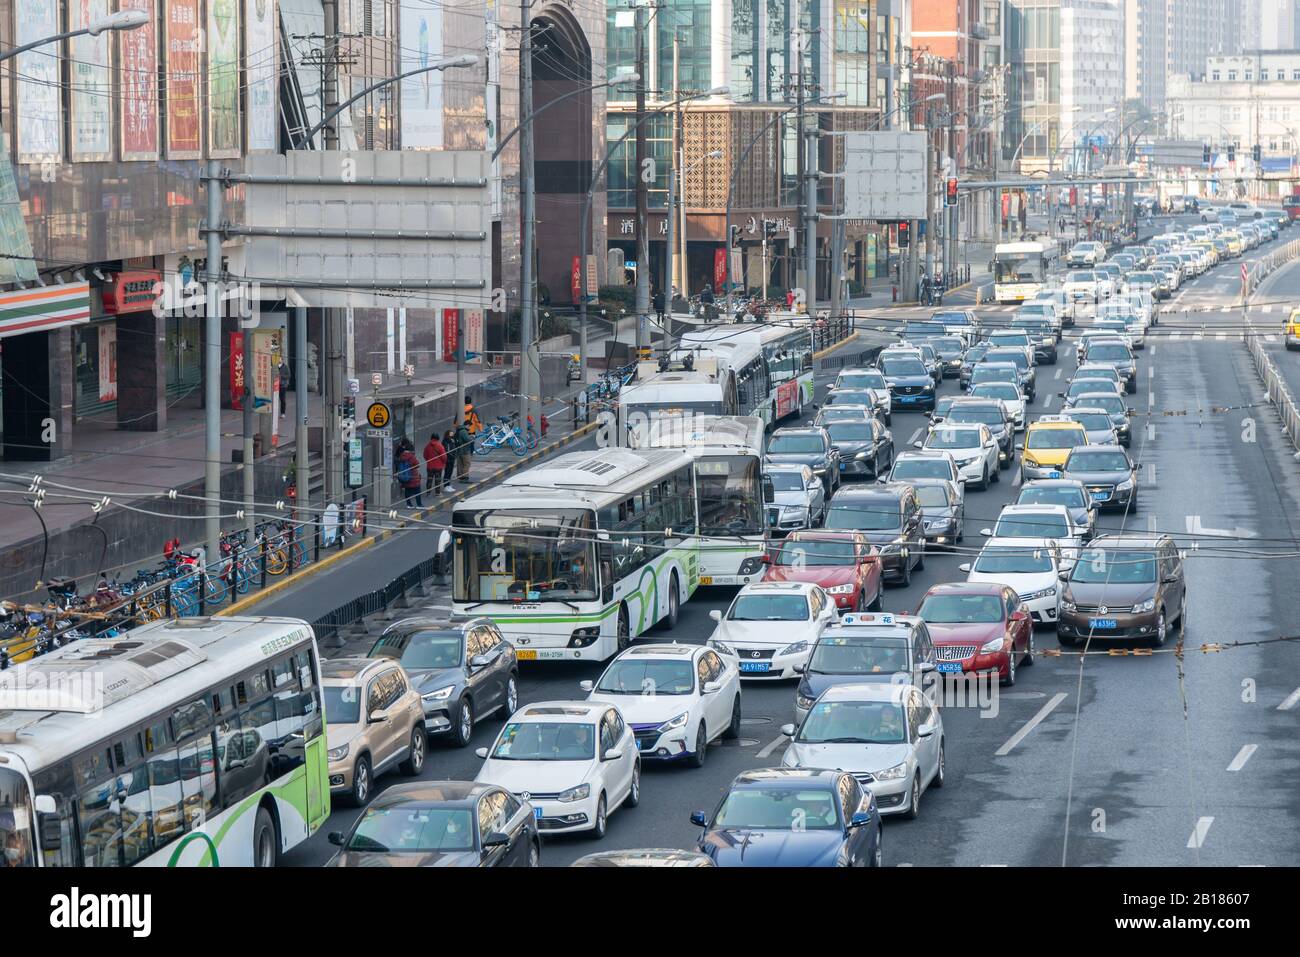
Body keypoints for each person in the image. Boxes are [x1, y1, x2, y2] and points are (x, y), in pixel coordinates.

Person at [395, 440, 423, 508]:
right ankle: (419, 504)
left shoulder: (402, 455)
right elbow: (417, 464)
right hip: (413, 476)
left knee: (407, 490)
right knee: (417, 490)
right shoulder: (411, 456)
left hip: (405, 476)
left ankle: (409, 504)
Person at [441, 427, 459, 492]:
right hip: (448, 459)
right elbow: (447, 450)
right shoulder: (446, 441)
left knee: (450, 472)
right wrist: (452, 456)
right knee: (447, 472)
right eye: (451, 434)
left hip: (452, 459)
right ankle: (446, 486)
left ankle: (448, 485)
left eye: (452, 434)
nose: (452, 435)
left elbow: (455, 447)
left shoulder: (452, 440)